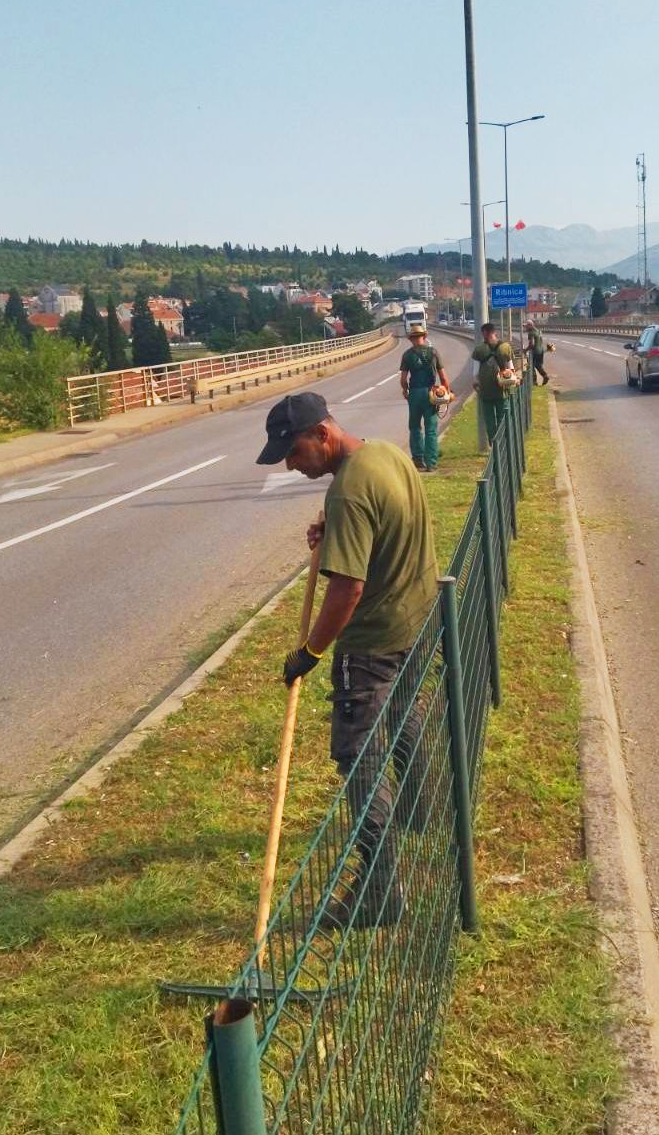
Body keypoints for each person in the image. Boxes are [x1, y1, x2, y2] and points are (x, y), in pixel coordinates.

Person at [257, 391, 437, 930]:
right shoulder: (385, 454)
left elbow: (348, 590)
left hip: (373, 641)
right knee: (404, 718)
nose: (290, 465)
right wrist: (335, 535)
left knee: (359, 759)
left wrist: (310, 652)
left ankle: (380, 892)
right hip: (415, 619)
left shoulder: (347, 492)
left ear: (322, 434)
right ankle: (422, 813)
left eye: (293, 452)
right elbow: (386, 529)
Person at [399, 322, 451, 472]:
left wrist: (405, 390)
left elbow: (403, 379)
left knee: (415, 427)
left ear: (411, 339)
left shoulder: (407, 355)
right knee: (431, 429)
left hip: (415, 393)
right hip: (430, 393)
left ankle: (418, 459)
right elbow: (443, 377)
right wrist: (446, 392)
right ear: (424, 336)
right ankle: (431, 462)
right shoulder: (433, 352)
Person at [471, 321, 515, 441]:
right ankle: (503, 442)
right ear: (494, 332)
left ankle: (493, 443)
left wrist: (476, 384)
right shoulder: (505, 347)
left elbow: (475, 372)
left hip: (486, 389)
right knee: (503, 417)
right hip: (502, 388)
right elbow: (511, 369)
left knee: (489, 419)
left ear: (485, 333)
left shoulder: (479, 349)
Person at [524, 320, 550, 385]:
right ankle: (545, 376)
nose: (525, 328)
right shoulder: (539, 331)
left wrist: (525, 350)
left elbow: (531, 344)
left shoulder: (531, 333)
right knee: (538, 365)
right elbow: (540, 341)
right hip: (541, 351)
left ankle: (534, 381)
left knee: (531, 365)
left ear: (530, 325)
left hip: (535, 352)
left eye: (526, 326)